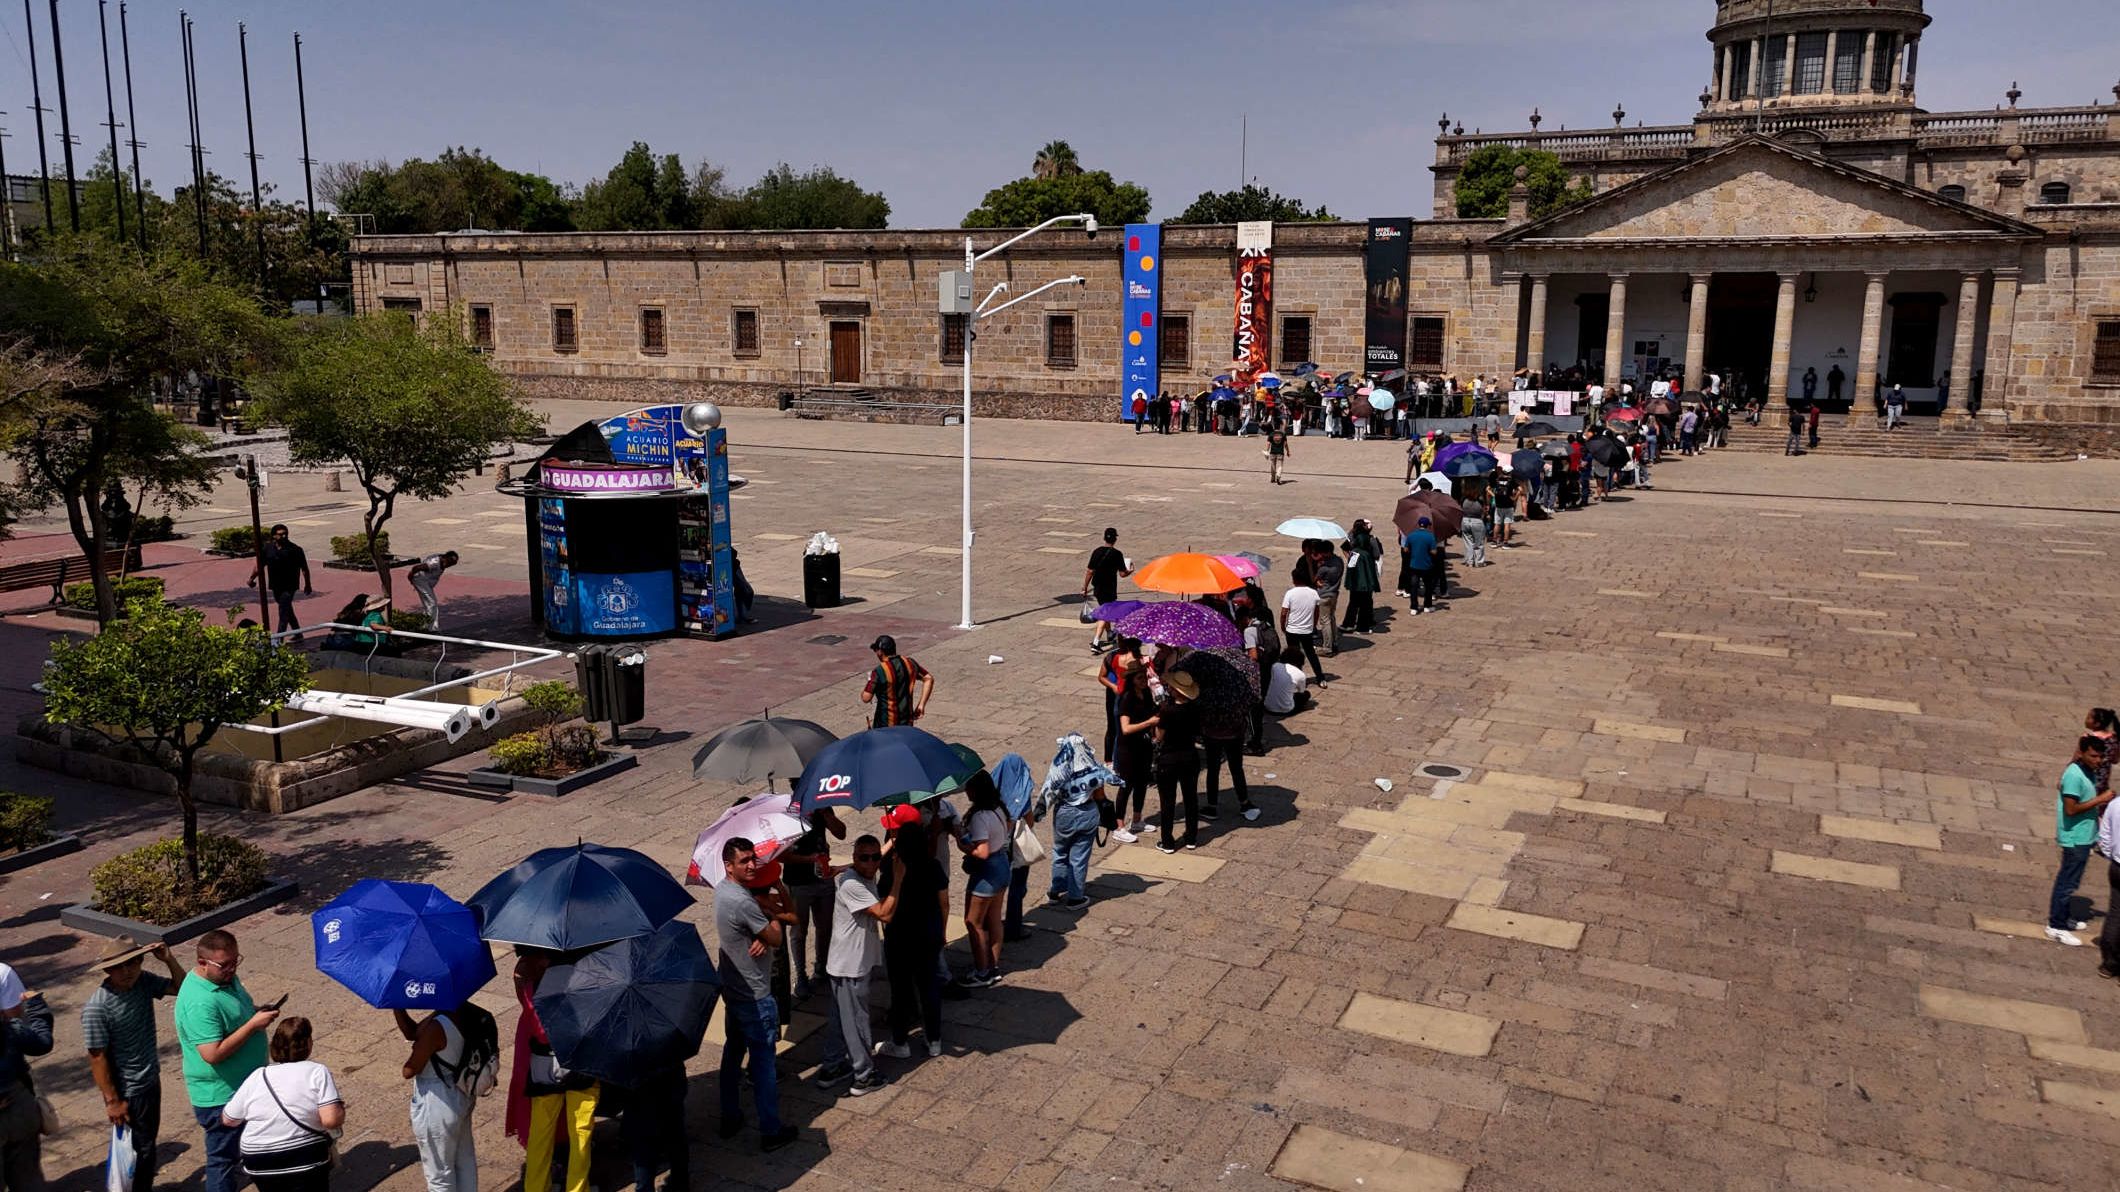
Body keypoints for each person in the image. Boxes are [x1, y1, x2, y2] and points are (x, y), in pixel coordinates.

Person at [714, 839, 800, 1149]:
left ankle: (730, 1115)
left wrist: (760, 927)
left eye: (753, 859)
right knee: (764, 1065)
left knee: (732, 1055)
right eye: (744, 861)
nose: (752, 865)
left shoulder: (723, 891)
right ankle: (770, 1130)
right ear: (729, 865)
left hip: (734, 991)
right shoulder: (742, 901)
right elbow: (776, 937)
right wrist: (770, 919)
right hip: (755, 994)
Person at [177, 930, 275, 1192]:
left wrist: (254, 1013)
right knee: (222, 1161)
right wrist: (253, 1026)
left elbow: (234, 1016)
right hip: (221, 1096)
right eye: (224, 965)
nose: (232, 969)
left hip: (244, 1086)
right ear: (202, 963)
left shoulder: (223, 978)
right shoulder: (200, 1002)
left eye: (235, 961)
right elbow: (212, 1054)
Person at [83, 941, 184, 1192]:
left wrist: (169, 960)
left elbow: (182, 988)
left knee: (146, 1148)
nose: (127, 971)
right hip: (129, 1091)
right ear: (108, 970)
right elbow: (97, 1057)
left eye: (132, 963)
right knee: (140, 1154)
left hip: (151, 1078)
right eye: (119, 966)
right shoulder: (98, 1007)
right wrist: (112, 1101)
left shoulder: (143, 982)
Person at [508, 949, 598, 1192]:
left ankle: (537, 1187)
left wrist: (523, 981)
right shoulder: (588, 967)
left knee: (541, 1133)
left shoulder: (529, 972)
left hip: (543, 1063)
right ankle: (578, 1188)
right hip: (579, 1059)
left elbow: (532, 1018)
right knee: (581, 1132)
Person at [219, 1018, 343, 1192]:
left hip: (257, 1158)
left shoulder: (258, 1075)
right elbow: (331, 1121)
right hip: (304, 1155)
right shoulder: (317, 1071)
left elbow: (228, 1119)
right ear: (308, 1043)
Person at [816, 835, 895, 1097]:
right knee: (857, 1021)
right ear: (854, 858)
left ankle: (832, 1066)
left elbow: (873, 855)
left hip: (846, 962)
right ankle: (864, 1074)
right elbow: (885, 913)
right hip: (851, 966)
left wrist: (892, 841)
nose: (871, 862)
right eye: (864, 857)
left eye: (875, 858)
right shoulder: (851, 884)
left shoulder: (858, 872)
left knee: (841, 1018)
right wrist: (900, 878)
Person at [394, 996, 493, 1192]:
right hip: (460, 1093)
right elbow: (412, 1032)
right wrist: (398, 1009)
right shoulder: (462, 1013)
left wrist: (416, 1052)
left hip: (437, 1101)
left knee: (439, 1174)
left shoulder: (436, 1027)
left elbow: (410, 1070)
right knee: (464, 1160)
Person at [877, 806, 947, 1059]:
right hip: (928, 933)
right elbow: (944, 903)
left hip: (900, 936)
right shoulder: (933, 866)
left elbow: (884, 901)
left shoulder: (892, 869)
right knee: (929, 987)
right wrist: (942, 930)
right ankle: (935, 1039)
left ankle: (900, 1041)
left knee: (901, 990)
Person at [2047, 735, 2113, 945]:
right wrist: (2100, 800)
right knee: (2066, 883)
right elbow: (2071, 808)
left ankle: (2064, 917)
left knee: (2073, 881)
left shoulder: (2086, 771)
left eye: (2101, 756)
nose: (2098, 760)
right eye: (2094, 756)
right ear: (2082, 753)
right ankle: (2056, 925)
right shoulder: (2075, 775)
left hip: (2085, 836)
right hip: (2074, 838)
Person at [1041, 733, 1116, 907]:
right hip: (1086, 813)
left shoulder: (1058, 769)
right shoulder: (1093, 768)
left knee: (1060, 851)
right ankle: (1075, 897)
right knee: (1079, 857)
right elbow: (1099, 796)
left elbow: (1049, 794)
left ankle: (1055, 890)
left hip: (1064, 814)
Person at [954, 771, 1012, 988]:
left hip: (986, 871)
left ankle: (982, 971)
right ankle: (993, 967)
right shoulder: (998, 808)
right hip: (1002, 865)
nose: (966, 791)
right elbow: (1008, 825)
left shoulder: (979, 817)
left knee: (973, 921)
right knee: (995, 918)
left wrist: (962, 845)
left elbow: (982, 852)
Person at [781, 809, 846, 1002]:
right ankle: (801, 976)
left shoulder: (823, 808)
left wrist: (827, 816)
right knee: (799, 932)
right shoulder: (788, 812)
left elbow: (841, 833)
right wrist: (808, 859)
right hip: (798, 882)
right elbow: (781, 855)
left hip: (823, 878)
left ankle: (822, 969)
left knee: (825, 927)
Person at [0, 964, 52, 1192]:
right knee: (28, 1177)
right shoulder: (10, 1030)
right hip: (20, 1107)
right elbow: (42, 1043)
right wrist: (37, 1006)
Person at [1152, 672, 1203, 855]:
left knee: (1168, 802)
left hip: (1169, 759)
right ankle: (1191, 837)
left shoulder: (1167, 710)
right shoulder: (1195, 707)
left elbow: (1159, 737)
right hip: (1190, 756)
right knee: (1191, 798)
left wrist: (1156, 723)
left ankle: (1167, 841)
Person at [621, 1060, 688, 1192]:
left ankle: (646, 1187)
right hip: (671, 1080)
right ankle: (680, 1182)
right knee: (675, 1133)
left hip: (641, 1086)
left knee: (643, 1146)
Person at [1111, 658, 1157, 842]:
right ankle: (1119, 825)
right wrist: (1149, 723)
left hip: (1144, 746)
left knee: (1141, 783)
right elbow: (1125, 729)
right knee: (1126, 786)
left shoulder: (1146, 694)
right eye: (1139, 679)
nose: (1143, 681)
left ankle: (1137, 819)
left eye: (1144, 678)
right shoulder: (1127, 698)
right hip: (1128, 749)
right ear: (1132, 680)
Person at [248, 524, 314, 638]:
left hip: (290, 585)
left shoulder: (295, 550)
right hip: (275, 584)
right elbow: (260, 565)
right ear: (274, 536)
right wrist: (251, 578)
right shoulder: (268, 548)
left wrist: (308, 584)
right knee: (287, 609)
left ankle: (278, 640)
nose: (284, 536)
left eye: (285, 534)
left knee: (283, 611)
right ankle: (297, 633)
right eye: (280, 534)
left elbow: (304, 568)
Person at [860, 635, 933, 727]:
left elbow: (866, 698)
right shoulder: (910, 663)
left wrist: (869, 683)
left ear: (880, 652)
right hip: (907, 722)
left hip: (886, 724)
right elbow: (928, 679)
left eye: (875, 650)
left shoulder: (879, 671)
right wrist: (921, 705)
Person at [1082, 529, 1131, 653]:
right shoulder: (1117, 554)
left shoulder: (1097, 552)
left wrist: (1085, 587)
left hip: (1098, 587)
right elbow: (1122, 574)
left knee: (1105, 608)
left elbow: (1090, 571)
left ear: (1104, 538)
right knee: (1105, 614)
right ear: (1115, 539)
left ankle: (1109, 634)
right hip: (1109, 588)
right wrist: (1130, 570)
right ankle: (1096, 642)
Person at [1279, 561, 1324, 680]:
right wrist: (1313, 625)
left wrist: (1283, 626)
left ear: (1294, 580)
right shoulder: (1314, 593)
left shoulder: (1290, 593)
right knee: (1311, 654)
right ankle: (1320, 677)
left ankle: (1294, 677)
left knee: (1293, 656)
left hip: (1292, 630)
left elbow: (1284, 613)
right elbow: (1316, 612)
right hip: (1307, 630)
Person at [1339, 521, 1382, 634]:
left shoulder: (1353, 543)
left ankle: (1348, 624)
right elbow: (1377, 554)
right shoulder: (1371, 540)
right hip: (1367, 574)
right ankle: (1363, 627)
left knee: (1353, 600)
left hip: (1355, 577)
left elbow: (1344, 548)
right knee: (1366, 600)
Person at [1307, 540, 1344, 658]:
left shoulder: (1324, 568)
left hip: (1324, 595)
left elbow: (1314, 579)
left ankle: (1327, 647)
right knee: (1331, 618)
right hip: (1334, 593)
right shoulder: (1339, 561)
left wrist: (1310, 564)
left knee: (1325, 621)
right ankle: (1334, 642)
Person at [406, 550, 458, 629]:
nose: (449, 565)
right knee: (431, 603)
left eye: (452, 564)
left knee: (429, 604)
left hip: (426, 583)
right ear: (445, 558)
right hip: (420, 581)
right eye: (449, 562)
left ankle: (427, 625)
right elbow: (416, 568)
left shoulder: (443, 561)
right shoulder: (434, 562)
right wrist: (410, 576)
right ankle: (430, 629)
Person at [1402, 517, 1441, 615]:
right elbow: (1434, 551)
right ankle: (1427, 606)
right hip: (1426, 565)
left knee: (1414, 587)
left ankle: (1414, 607)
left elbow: (1405, 549)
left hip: (1414, 565)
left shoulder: (1411, 535)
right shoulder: (1430, 536)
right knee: (1428, 586)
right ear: (1428, 525)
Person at [1264, 645, 1311, 715]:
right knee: (1306, 694)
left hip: (1268, 707)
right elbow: (1301, 691)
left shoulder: (1275, 666)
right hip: (1286, 710)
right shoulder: (1301, 674)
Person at [1459, 490, 1489, 567]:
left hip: (1465, 520)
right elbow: (1484, 512)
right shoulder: (1479, 501)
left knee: (1468, 543)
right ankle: (1479, 562)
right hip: (1477, 521)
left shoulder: (1464, 500)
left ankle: (1469, 562)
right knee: (1479, 543)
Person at [1265, 420, 1290, 485]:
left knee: (1273, 465)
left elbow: (1268, 444)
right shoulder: (1283, 434)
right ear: (1280, 426)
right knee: (1280, 466)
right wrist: (1288, 451)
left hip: (1272, 452)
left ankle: (1273, 478)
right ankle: (1278, 475)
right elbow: (1285, 444)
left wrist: (1267, 451)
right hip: (1280, 452)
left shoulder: (1271, 434)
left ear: (1274, 426)